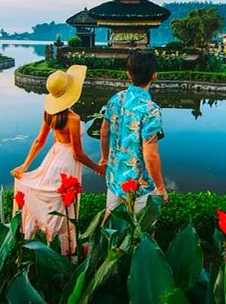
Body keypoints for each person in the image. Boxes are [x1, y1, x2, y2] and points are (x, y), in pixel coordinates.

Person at [12, 65, 103, 255]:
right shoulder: (73, 118)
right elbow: (78, 154)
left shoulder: (49, 113)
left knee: (55, 200)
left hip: (53, 158)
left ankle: (49, 244)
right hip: (67, 161)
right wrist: (97, 167)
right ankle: (65, 250)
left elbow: (39, 141)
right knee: (64, 203)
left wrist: (25, 165)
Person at [99, 51, 167, 214]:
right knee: (143, 234)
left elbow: (104, 132)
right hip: (140, 185)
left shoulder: (116, 99)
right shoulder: (150, 110)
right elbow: (150, 156)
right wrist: (160, 187)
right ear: (154, 75)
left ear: (128, 73)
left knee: (112, 230)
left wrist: (104, 158)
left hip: (115, 179)